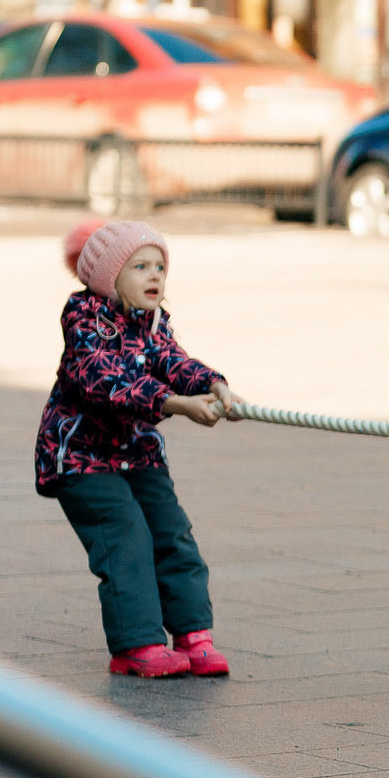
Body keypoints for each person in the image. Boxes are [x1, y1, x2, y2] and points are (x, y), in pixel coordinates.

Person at [37, 220, 242, 679]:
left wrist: (214, 384)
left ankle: (193, 635)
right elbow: (107, 382)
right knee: (126, 536)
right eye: (141, 266)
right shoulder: (85, 322)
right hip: (82, 458)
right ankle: (137, 645)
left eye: (161, 267)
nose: (155, 276)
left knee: (172, 532)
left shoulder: (153, 323)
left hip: (137, 453)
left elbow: (173, 361)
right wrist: (177, 404)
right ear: (109, 277)